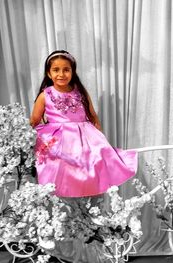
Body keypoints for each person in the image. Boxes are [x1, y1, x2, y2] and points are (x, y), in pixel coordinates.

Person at [30, 50, 137, 197]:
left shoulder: (80, 92)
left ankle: (86, 191)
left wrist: (97, 136)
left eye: (66, 70)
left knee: (95, 160)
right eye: (56, 70)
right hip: (59, 138)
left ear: (73, 72)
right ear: (49, 73)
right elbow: (34, 120)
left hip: (83, 135)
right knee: (61, 164)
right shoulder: (45, 95)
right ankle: (64, 191)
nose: (61, 74)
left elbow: (92, 115)